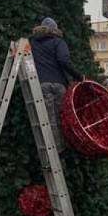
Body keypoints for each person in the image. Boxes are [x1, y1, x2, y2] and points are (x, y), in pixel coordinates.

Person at [30, 18, 85, 146]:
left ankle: (51, 149)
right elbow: (64, 61)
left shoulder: (33, 43)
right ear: (55, 29)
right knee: (60, 118)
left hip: (41, 84)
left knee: (47, 119)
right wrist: (79, 77)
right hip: (58, 85)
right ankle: (58, 150)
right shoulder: (58, 42)